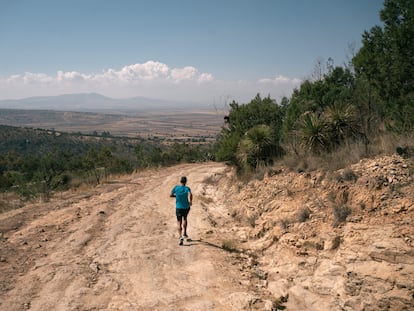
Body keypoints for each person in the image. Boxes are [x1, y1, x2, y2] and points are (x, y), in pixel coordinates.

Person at [170, 176, 193, 245]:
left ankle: (180, 237)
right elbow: (191, 194)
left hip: (178, 207)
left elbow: (171, 195)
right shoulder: (187, 188)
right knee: (185, 219)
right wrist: (190, 201)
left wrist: (176, 196)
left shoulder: (176, 188)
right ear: (186, 182)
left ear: (180, 181)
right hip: (186, 207)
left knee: (179, 222)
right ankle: (185, 233)